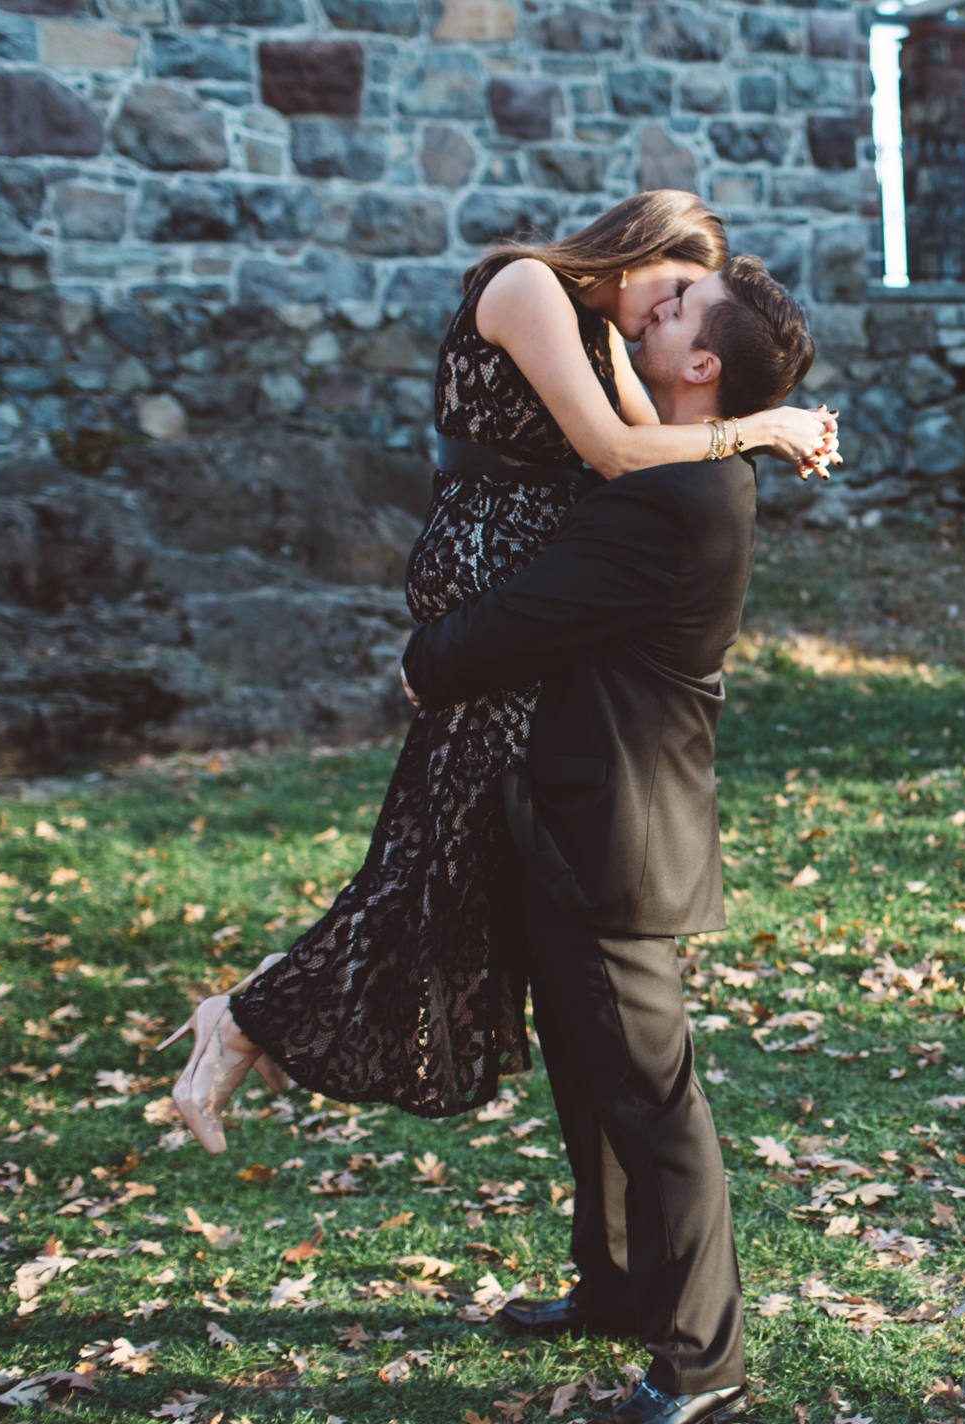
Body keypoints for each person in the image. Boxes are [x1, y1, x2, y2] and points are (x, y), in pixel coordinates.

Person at [159, 190, 837, 1147]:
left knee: (448, 855)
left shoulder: (609, 333)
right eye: (678, 285)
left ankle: (261, 1008)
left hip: (532, 604)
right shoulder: (528, 287)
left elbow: (660, 456)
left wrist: (758, 418)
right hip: (487, 582)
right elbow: (616, 452)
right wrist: (763, 429)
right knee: (431, 853)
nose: (673, 309)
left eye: (692, 301)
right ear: (637, 246)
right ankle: (245, 1016)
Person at [392, 252, 806, 1424]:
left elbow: (518, 617)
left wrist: (426, 660)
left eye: (671, 308)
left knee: (652, 1097)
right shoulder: (669, 477)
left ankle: (703, 1363)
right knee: (589, 1078)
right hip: (567, 814)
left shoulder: (673, 497)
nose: (639, 310)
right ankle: (616, 1282)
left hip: (614, 831)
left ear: (698, 367)